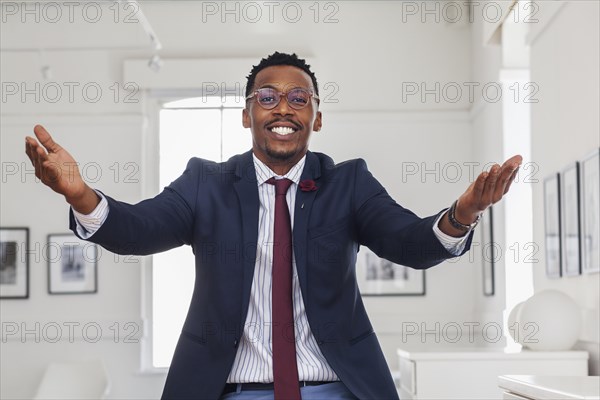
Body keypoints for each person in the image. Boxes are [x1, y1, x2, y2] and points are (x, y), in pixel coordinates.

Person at [25, 52, 522, 400]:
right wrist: (81, 195)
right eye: (267, 97)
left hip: (337, 390)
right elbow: (138, 230)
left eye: (299, 99)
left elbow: (409, 243)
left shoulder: (348, 183)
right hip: (235, 390)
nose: (283, 107)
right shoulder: (205, 183)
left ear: (317, 118)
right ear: (246, 115)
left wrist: (463, 213)